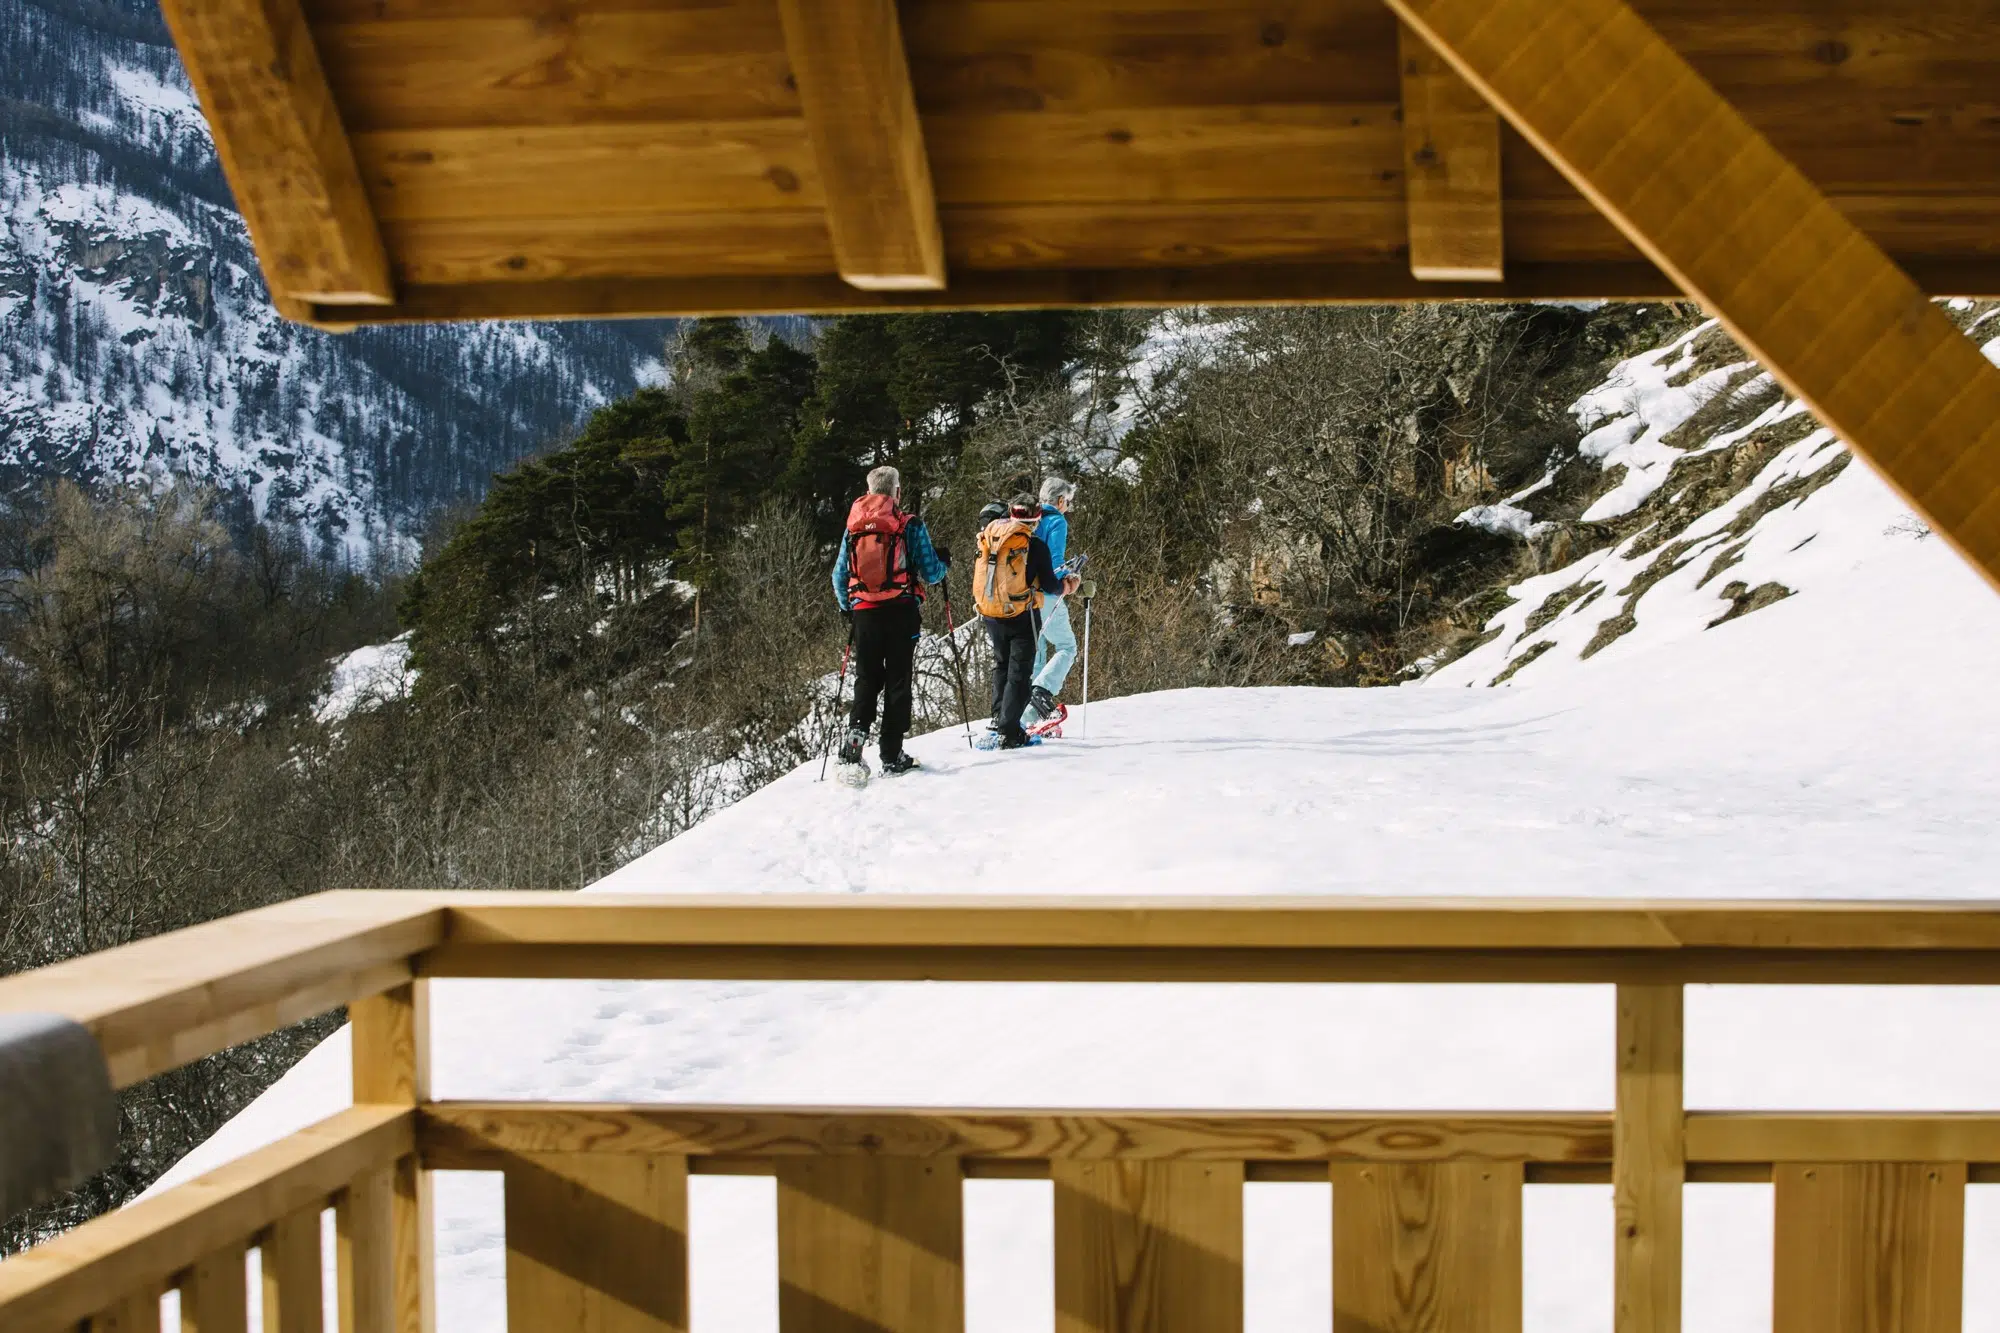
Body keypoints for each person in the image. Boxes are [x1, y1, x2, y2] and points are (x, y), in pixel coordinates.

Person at [831, 465, 950, 775]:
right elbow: (932, 572)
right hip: (901, 611)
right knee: (898, 679)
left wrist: (849, 607)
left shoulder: (853, 528)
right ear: (897, 492)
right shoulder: (908, 524)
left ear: (869, 491)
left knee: (867, 678)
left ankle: (856, 737)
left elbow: (839, 575)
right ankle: (891, 753)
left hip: (864, 614)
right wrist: (944, 561)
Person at [974, 493, 1080, 749]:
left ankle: (998, 719)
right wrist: (1070, 586)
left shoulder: (992, 536)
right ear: (1036, 517)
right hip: (1021, 613)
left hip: (991, 612)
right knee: (1019, 671)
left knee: (1001, 665)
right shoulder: (1033, 545)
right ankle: (1010, 732)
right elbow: (1050, 584)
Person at [1024, 476, 1080, 729]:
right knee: (1067, 646)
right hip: (1046, 594)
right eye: (1067, 501)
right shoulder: (1057, 520)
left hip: (1022, 595)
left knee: (1036, 653)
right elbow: (1055, 560)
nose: (1067, 506)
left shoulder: (1030, 519)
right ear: (1059, 500)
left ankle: (1026, 717)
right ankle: (1041, 694)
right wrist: (1067, 579)